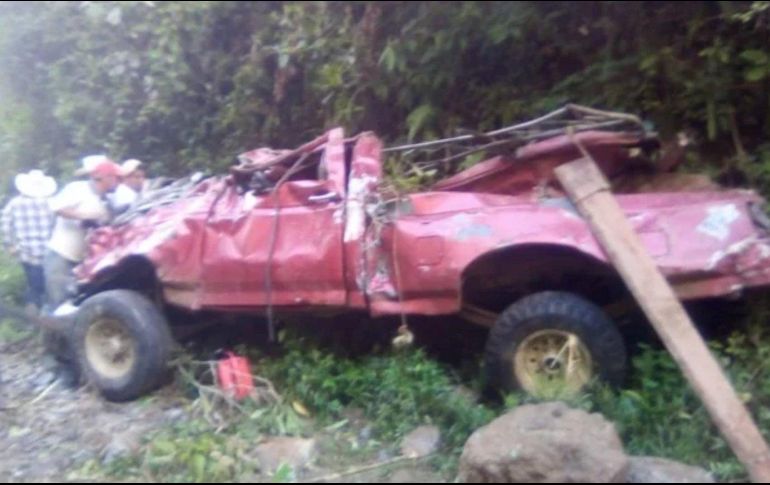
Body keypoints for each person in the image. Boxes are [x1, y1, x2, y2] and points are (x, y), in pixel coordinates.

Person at [44, 156, 121, 311]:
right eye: (115, 178)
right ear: (104, 177)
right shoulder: (78, 189)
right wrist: (85, 217)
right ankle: (50, 332)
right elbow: (57, 208)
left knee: (75, 303)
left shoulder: (106, 200)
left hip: (82, 261)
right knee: (60, 303)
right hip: (62, 255)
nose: (118, 182)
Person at [1, 170, 57, 312]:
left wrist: (10, 245)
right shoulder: (51, 202)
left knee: (34, 283)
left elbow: (5, 225)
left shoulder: (14, 203)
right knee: (50, 283)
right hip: (50, 250)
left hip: (25, 251)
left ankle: (34, 309)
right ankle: (46, 311)